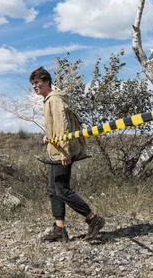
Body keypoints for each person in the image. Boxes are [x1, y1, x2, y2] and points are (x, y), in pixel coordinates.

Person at [29, 66, 105, 242]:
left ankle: (93, 219)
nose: (34, 86)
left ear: (47, 82)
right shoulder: (49, 100)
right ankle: (59, 229)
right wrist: (49, 135)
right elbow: (57, 125)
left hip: (62, 152)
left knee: (62, 190)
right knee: (53, 190)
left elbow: (63, 126)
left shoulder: (54, 99)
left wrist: (65, 153)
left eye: (37, 83)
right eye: (33, 84)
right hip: (56, 151)